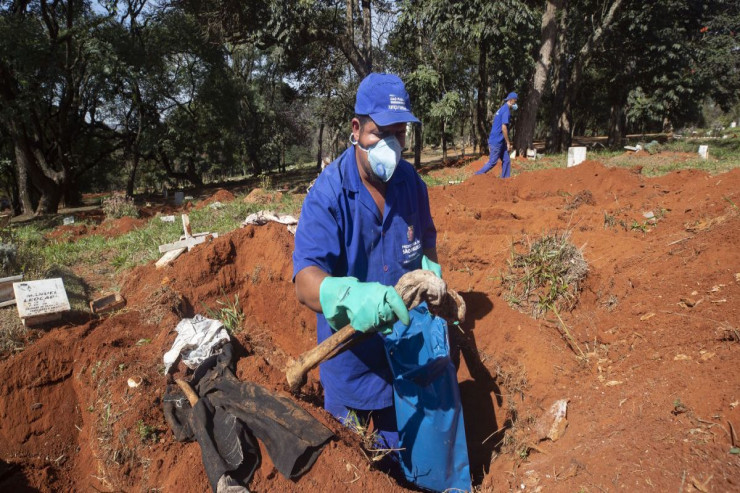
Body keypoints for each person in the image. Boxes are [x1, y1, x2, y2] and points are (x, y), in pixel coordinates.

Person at [292, 73, 441, 463]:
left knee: (410, 462)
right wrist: (349, 295)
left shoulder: (411, 183)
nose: (391, 145)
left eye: (400, 133)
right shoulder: (328, 193)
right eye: (380, 133)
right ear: (356, 130)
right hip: (352, 372)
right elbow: (305, 281)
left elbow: (426, 243)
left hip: (407, 362)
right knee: (360, 468)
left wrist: (431, 270)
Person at [475, 91, 518, 178]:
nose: (516, 103)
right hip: (497, 141)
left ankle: (505, 180)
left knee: (506, 160)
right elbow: (504, 128)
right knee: (493, 162)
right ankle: (476, 176)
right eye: (515, 101)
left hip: (500, 141)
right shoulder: (506, 110)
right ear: (512, 100)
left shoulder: (502, 108)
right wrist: (508, 142)